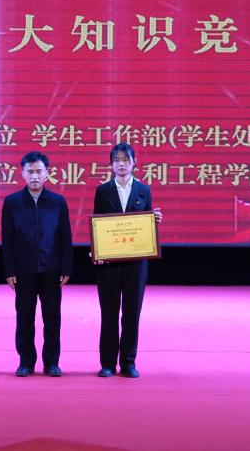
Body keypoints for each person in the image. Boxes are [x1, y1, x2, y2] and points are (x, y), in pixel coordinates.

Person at [91, 143, 162, 378]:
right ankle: (107, 364)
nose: (121, 164)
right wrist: (97, 250)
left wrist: (153, 220)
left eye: (125, 160)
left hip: (136, 263)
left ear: (134, 163)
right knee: (109, 314)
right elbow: (98, 224)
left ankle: (128, 363)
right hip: (109, 264)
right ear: (111, 164)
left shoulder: (144, 190)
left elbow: (145, 226)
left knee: (132, 314)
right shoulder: (103, 191)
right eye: (117, 160)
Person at [1, 151, 73, 377]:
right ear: (22, 173)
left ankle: (51, 362)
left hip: (52, 269)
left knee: (52, 319)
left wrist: (66, 267)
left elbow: (65, 237)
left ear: (47, 174)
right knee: (24, 318)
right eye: (30, 171)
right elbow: (7, 240)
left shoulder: (57, 202)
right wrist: (9, 270)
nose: (34, 176)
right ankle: (26, 362)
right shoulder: (12, 202)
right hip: (23, 271)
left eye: (39, 171)